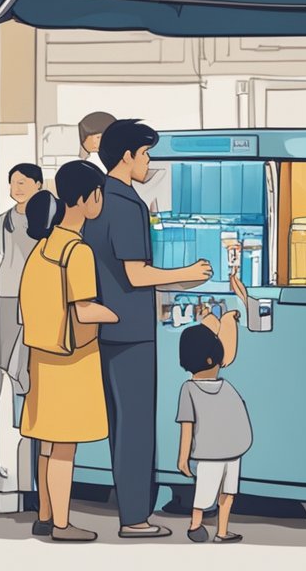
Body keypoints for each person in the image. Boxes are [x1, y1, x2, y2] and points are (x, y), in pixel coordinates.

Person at [83, 119, 212, 539]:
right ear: (127, 155)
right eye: (145, 153)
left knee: (121, 424)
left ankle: (130, 508)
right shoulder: (126, 202)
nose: (148, 161)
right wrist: (188, 272)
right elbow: (136, 274)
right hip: (132, 328)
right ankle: (135, 517)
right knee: (136, 424)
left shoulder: (97, 200)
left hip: (106, 325)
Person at [20, 163, 120, 542]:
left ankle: (45, 514)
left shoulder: (45, 245)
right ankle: (62, 525)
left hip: (43, 354)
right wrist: (117, 314)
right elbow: (84, 309)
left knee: (47, 441)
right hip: (72, 357)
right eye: (99, 193)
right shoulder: (77, 251)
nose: (101, 200)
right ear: (85, 198)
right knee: (65, 447)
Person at [176, 289, 249, 545]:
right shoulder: (200, 389)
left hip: (220, 451)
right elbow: (188, 425)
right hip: (222, 452)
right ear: (212, 359)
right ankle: (198, 526)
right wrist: (183, 457)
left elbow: (188, 426)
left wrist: (184, 457)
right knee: (215, 493)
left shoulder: (194, 388)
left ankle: (220, 530)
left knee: (220, 492)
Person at [0, 164, 44, 428]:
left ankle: (27, 420)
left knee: (28, 360)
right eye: (13, 183)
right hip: (6, 294)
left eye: (22, 183)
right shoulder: (2, 220)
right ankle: (16, 420)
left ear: (38, 185)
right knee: (5, 361)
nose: (16, 189)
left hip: (36, 294)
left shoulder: (48, 219)